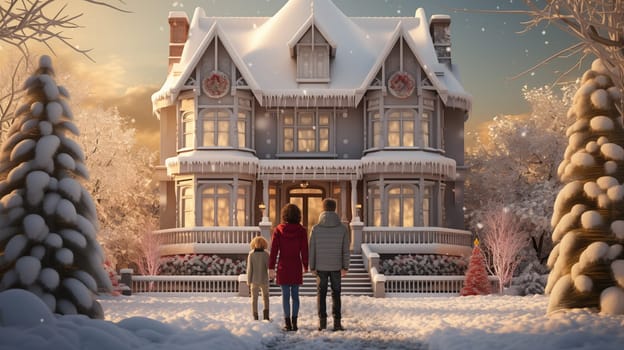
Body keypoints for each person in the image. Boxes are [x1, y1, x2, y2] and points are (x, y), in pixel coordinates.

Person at [309, 198, 350, 331]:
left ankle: (322, 323)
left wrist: (312, 266)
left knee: (321, 294)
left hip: (321, 267)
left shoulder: (315, 229)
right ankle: (337, 323)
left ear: (323, 208)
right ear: (335, 208)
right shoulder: (343, 229)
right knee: (336, 294)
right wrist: (345, 266)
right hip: (336, 267)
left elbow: (312, 249)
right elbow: (345, 250)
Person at [269, 203, 309, 332]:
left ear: (284, 215)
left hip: (283, 266)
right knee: (295, 296)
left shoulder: (278, 230)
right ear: (298, 216)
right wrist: (306, 265)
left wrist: (271, 267)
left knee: (285, 296)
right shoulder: (302, 231)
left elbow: (274, 250)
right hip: (296, 266)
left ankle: (287, 323)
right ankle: (295, 322)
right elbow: (304, 249)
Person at [247, 236, 270, 321]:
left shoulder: (251, 254)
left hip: (254, 280)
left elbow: (250, 269)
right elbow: (268, 267)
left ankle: (255, 315)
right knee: (266, 297)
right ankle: (266, 316)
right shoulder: (266, 254)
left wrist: (248, 281)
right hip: (264, 279)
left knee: (254, 298)